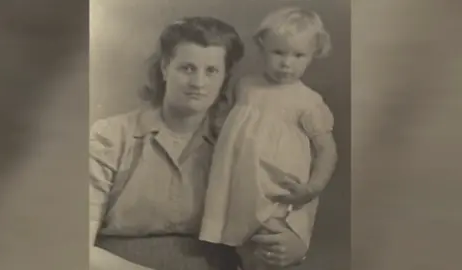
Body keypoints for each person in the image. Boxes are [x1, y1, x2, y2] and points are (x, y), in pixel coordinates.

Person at [89, 17, 245, 270]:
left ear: (225, 77)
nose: (198, 83)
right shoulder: (111, 136)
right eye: (187, 68)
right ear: (164, 68)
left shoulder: (235, 142)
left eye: (212, 71)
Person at [199, 7, 338, 270]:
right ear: (262, 48)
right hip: (239, 185)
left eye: (298, 55)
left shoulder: (308, 102)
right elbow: (230, 122)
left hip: (275, 189)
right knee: (240, 250)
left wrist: (313, 187)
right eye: (279, 53)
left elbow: (327, 150)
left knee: (272, 250)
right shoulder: (245, 85)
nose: (287, 63)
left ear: (313, 55)